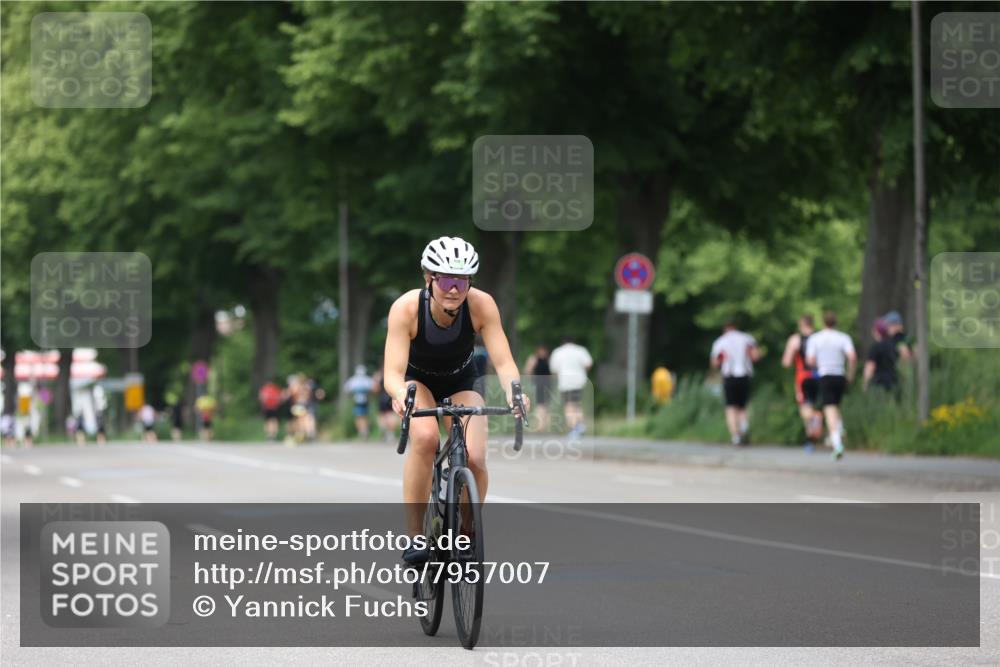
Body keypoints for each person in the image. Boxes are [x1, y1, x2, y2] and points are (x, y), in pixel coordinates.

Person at [382, 236, 529, 565]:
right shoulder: (406, 309)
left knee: (475, 457)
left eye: (462, 281)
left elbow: (504, 362)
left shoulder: (482, 305)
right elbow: (391, 372)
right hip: (417, 381)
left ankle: (466, 535)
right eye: (446, 280)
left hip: (461, 379)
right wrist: (399, 395)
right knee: (426, 438)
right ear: (428, 278)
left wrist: (514, 392)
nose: (454, 289)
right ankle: (415, 537)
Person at [805, 311, 857, 460]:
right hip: (840, 374)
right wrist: (850, 375)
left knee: (829, 410)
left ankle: (837, 443)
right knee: (836, 405)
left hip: (825, 374)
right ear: (836, 322)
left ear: (823, 322)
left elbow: (810, 360)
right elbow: (852, 357)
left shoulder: (815, 338)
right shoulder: (843, 337)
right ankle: (839, 428)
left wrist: (819, 364)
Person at [710, 322, 761, 446]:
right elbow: (756, 356)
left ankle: (735, 435)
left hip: (730, 376)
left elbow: (715, 363)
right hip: (744, 376)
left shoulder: (720, 341)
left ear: (725, 329)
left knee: (731, 407)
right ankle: (744, 427)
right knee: (743, 406)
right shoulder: (747, 338)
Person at [781, 314, 823, 451]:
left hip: (803, 376)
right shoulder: (821, 338)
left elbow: (786, 362)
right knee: (816, 405)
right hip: (820, 375)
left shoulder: (795, 339)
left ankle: (813, 422)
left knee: (805, 407)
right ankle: (810, 439)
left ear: (801, 324)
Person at [549, 336, 592, 438]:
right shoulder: (580, 350)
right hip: (579, 380)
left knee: (569, 405)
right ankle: (580, 425)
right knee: (576, 404)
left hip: (566, 381)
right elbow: (588, 364)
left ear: (563, 342)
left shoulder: (558, 352)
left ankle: (574, 428)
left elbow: (554, 369)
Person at [864, 319, 900, 396]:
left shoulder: (875, 347)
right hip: (893, 381)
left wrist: (865, 384)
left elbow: (870, 366)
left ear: (876, 331)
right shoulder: (892, 346)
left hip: (879, 383)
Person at [523, 344, 552, 432]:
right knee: (540, 405)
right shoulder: (534, 359)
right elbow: (527, 371)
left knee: (546, 405)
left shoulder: (549, 359)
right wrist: (531, 381)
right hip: (538, 384)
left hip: (548, 385)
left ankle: (545, 425)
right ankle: (541, 425)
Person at [344, 365, 374, 439]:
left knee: (359, 417)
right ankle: (364, 430)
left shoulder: (353, 380)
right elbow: (373, 387)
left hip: (358, 401)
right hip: (364, 401)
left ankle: (362, 431)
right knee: (364, 416)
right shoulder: (367, 380)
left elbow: (346, 388)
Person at [372, 367, 398, 442]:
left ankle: (384, 430)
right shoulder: (392, 375)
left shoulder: (379, 376)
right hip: (390, 397)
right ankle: (391, 433)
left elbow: (375, 389)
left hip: (382, 398)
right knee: (391, 415)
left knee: (382, 415)